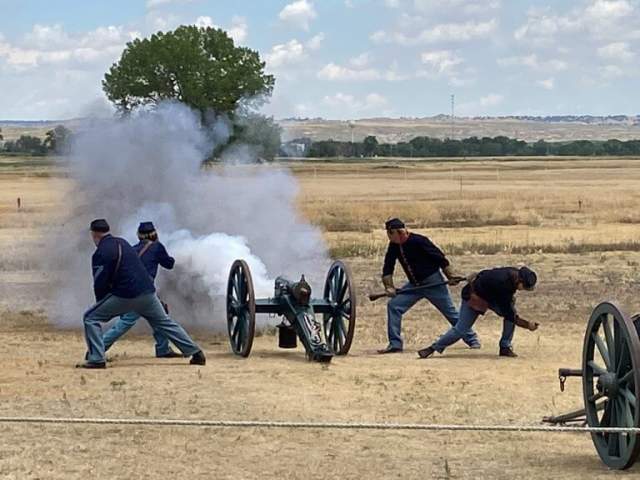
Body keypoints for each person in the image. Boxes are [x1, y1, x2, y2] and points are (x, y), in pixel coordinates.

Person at [77, 219, 205, 369]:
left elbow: (100, 281)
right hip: (148, 292)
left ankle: (97, 358)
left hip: (126, 294)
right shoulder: (123, 243)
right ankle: (196, 353)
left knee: (90, 318)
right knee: (165, 323)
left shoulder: (101, 252)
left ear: (94, 234)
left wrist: (101, 303)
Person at [377, 218, 479, 354]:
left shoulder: (419, 241)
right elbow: (388, 267)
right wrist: (389, 286)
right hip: (414, 285)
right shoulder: (394, 246)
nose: (389, 237)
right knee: (394, 306)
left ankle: (472, 339)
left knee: (450, 313)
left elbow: (440, 258)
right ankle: (395, 344)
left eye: (390, 233)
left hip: (433, 283)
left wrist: (450, 276)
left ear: (398, 232)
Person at [418, 266, 539, 359]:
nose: (524, 290)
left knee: (510, 316)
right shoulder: (503, 285)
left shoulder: (512, 274)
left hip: (492, 297)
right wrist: (527, 325)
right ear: (519, 280)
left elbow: (485, 273)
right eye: (525, 287)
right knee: (461, 329)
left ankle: (505, 347)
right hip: (475, 297)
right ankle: (432, 348)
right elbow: (509, 314)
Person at [102, 221, 180, 358]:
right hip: (142, 291)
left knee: (160, 316)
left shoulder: (133, 249)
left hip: (129, 289)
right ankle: (98, 348)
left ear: (139, 235)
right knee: (126, 322)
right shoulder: (157, 247)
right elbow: (169, 264)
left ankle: (163, 349)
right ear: (154, 234)